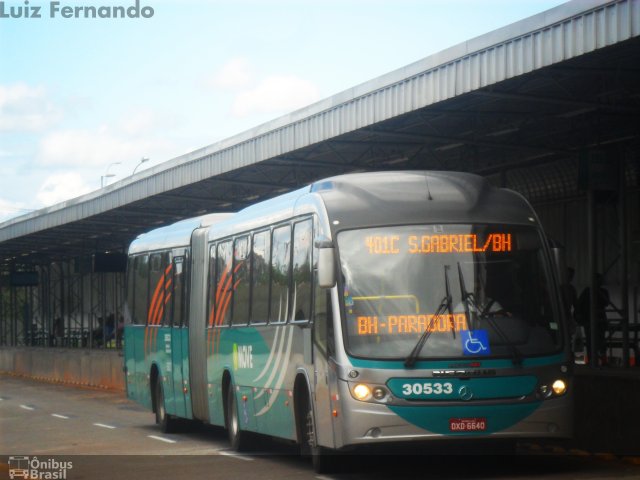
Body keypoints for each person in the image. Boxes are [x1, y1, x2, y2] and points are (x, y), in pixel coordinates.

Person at [575, 273, 610, 366]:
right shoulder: (592, 291)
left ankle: (597, 360)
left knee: (596, 341)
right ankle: (597, 360)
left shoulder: (588, 291)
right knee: (596, 341)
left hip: (593, 320)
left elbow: (579, 305)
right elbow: (606, 303)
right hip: (594, 319)